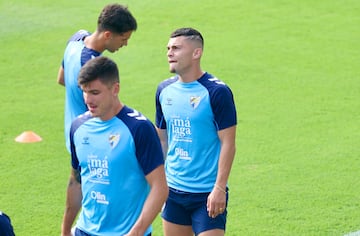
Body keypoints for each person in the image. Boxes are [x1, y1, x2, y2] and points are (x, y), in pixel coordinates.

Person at [61, 56, 168, 236]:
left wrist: (137, 231)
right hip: (85, 230)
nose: (88, 99)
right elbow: (76, 182)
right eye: (84, 91)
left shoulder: (138, 128)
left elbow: (160, 187)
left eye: (95, 92)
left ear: (115, 89)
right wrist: (65, 230)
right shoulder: (78, 127)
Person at [155, 27, 237, 236]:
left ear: (196, 53)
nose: (169, 53)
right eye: (168, 48)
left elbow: (228, 142)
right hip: (173, 192)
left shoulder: (217, 92)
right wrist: (158, 185)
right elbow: (162, 141)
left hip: (206, 193)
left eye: (176, 48)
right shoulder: (164, 90)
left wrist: (219, 188)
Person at [57, 3, 137, 152]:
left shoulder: (76, 38)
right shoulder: (94, 66)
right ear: (108, 35)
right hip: (92, 140)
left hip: (74, 133)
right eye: (123, 38)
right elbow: (107, 108)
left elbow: (61, 79)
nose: (125, 44)